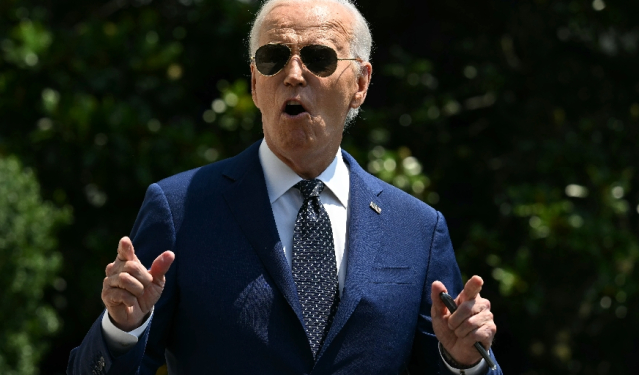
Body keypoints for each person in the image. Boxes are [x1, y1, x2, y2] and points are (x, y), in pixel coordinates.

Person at [68, 0, 503, 374]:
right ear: (255, 83)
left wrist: (467, 362)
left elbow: (451, 357)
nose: (294, 74)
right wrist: (121, 330)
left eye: (319, 58)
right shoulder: (181, 209)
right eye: (274, 58)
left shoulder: (417, 229)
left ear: (361, 84)